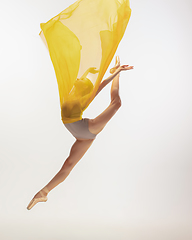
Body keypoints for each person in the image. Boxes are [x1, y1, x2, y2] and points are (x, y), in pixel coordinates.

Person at [27, 56, 133, 210]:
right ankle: (43, 193)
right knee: (116, 102)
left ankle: (42, 193)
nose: (79, 82)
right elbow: (89, 83)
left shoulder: (76, 98)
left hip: (83, 132)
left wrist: (114, 72)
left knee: (116, 103)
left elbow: (99, 85)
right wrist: (106, 72)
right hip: (84, 131)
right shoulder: (73, 97)